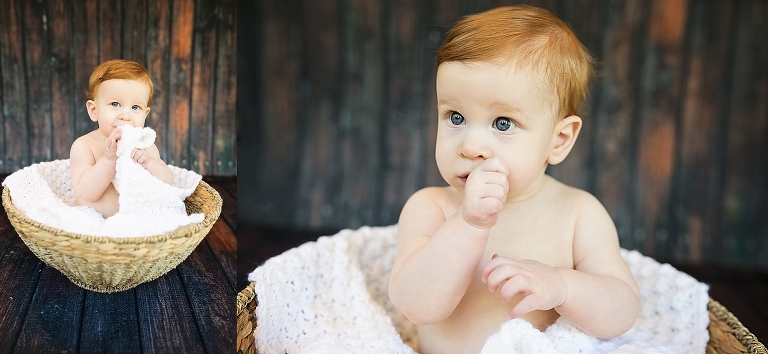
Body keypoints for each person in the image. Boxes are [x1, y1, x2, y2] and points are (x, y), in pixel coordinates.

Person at [388, 6, 640, 353]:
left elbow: (622, 311)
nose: (472, 146)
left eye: (503, 123)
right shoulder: (431, 208)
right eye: (456, 116)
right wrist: (467, 224)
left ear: (559, 140)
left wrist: (562, 286)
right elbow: (417, 306)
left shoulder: (578, 214)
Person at [70, 59, 173, 218]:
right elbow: (86, 192)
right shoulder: (84, 146)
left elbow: (167, 181)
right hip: (93, 221)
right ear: (94, 110)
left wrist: (149, 163)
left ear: (145, 114)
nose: (125, 116)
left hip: (138, 220)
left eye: (135, 107)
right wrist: (108, 159)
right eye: (115, 104)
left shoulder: (145, 146)